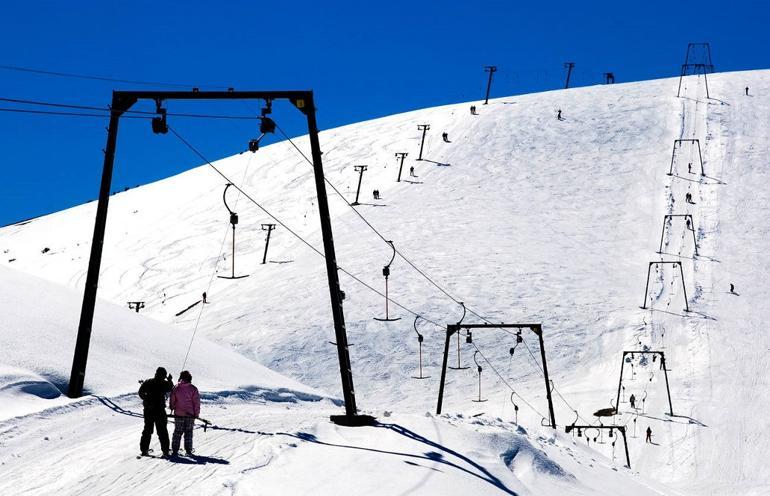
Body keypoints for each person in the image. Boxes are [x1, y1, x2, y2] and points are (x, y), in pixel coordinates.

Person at [139, 367, 174, 457]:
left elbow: (140, 392)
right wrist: (169, 380)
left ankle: (144, 450)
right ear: (164, 375)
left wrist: (146, 399)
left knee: (147, 430)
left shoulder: (148, 382)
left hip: (148, 410)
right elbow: (171, 388)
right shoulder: (164, 383)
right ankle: (165, 451)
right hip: (160, 411)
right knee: (162, 431)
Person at [170, 370, 201, 456]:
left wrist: (172, 407)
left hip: (178, 414)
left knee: (177, 432)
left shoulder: (176, 387)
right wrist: (196, 414)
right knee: (188, 432)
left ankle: (175, 450)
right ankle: (188, 450)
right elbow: (196, 403)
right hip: (190, 415)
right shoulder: (193, 389)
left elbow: (172, 400)